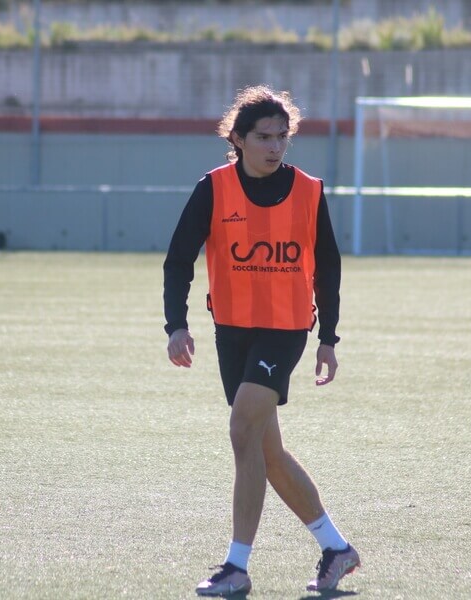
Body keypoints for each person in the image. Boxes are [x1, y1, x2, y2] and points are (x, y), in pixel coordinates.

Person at [163, 85, 360, 596]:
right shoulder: (214, 188)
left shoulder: (309, 191)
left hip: (284, 330)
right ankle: (336, 549)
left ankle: (236, 567)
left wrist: (328, 338)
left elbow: (329, 269)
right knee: (265, 452)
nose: (275, 146)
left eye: (282, 136)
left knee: (240, 428)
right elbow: (178, 258)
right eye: (264, 136)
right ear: (238, 138)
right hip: (231, 331)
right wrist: (176, 325)